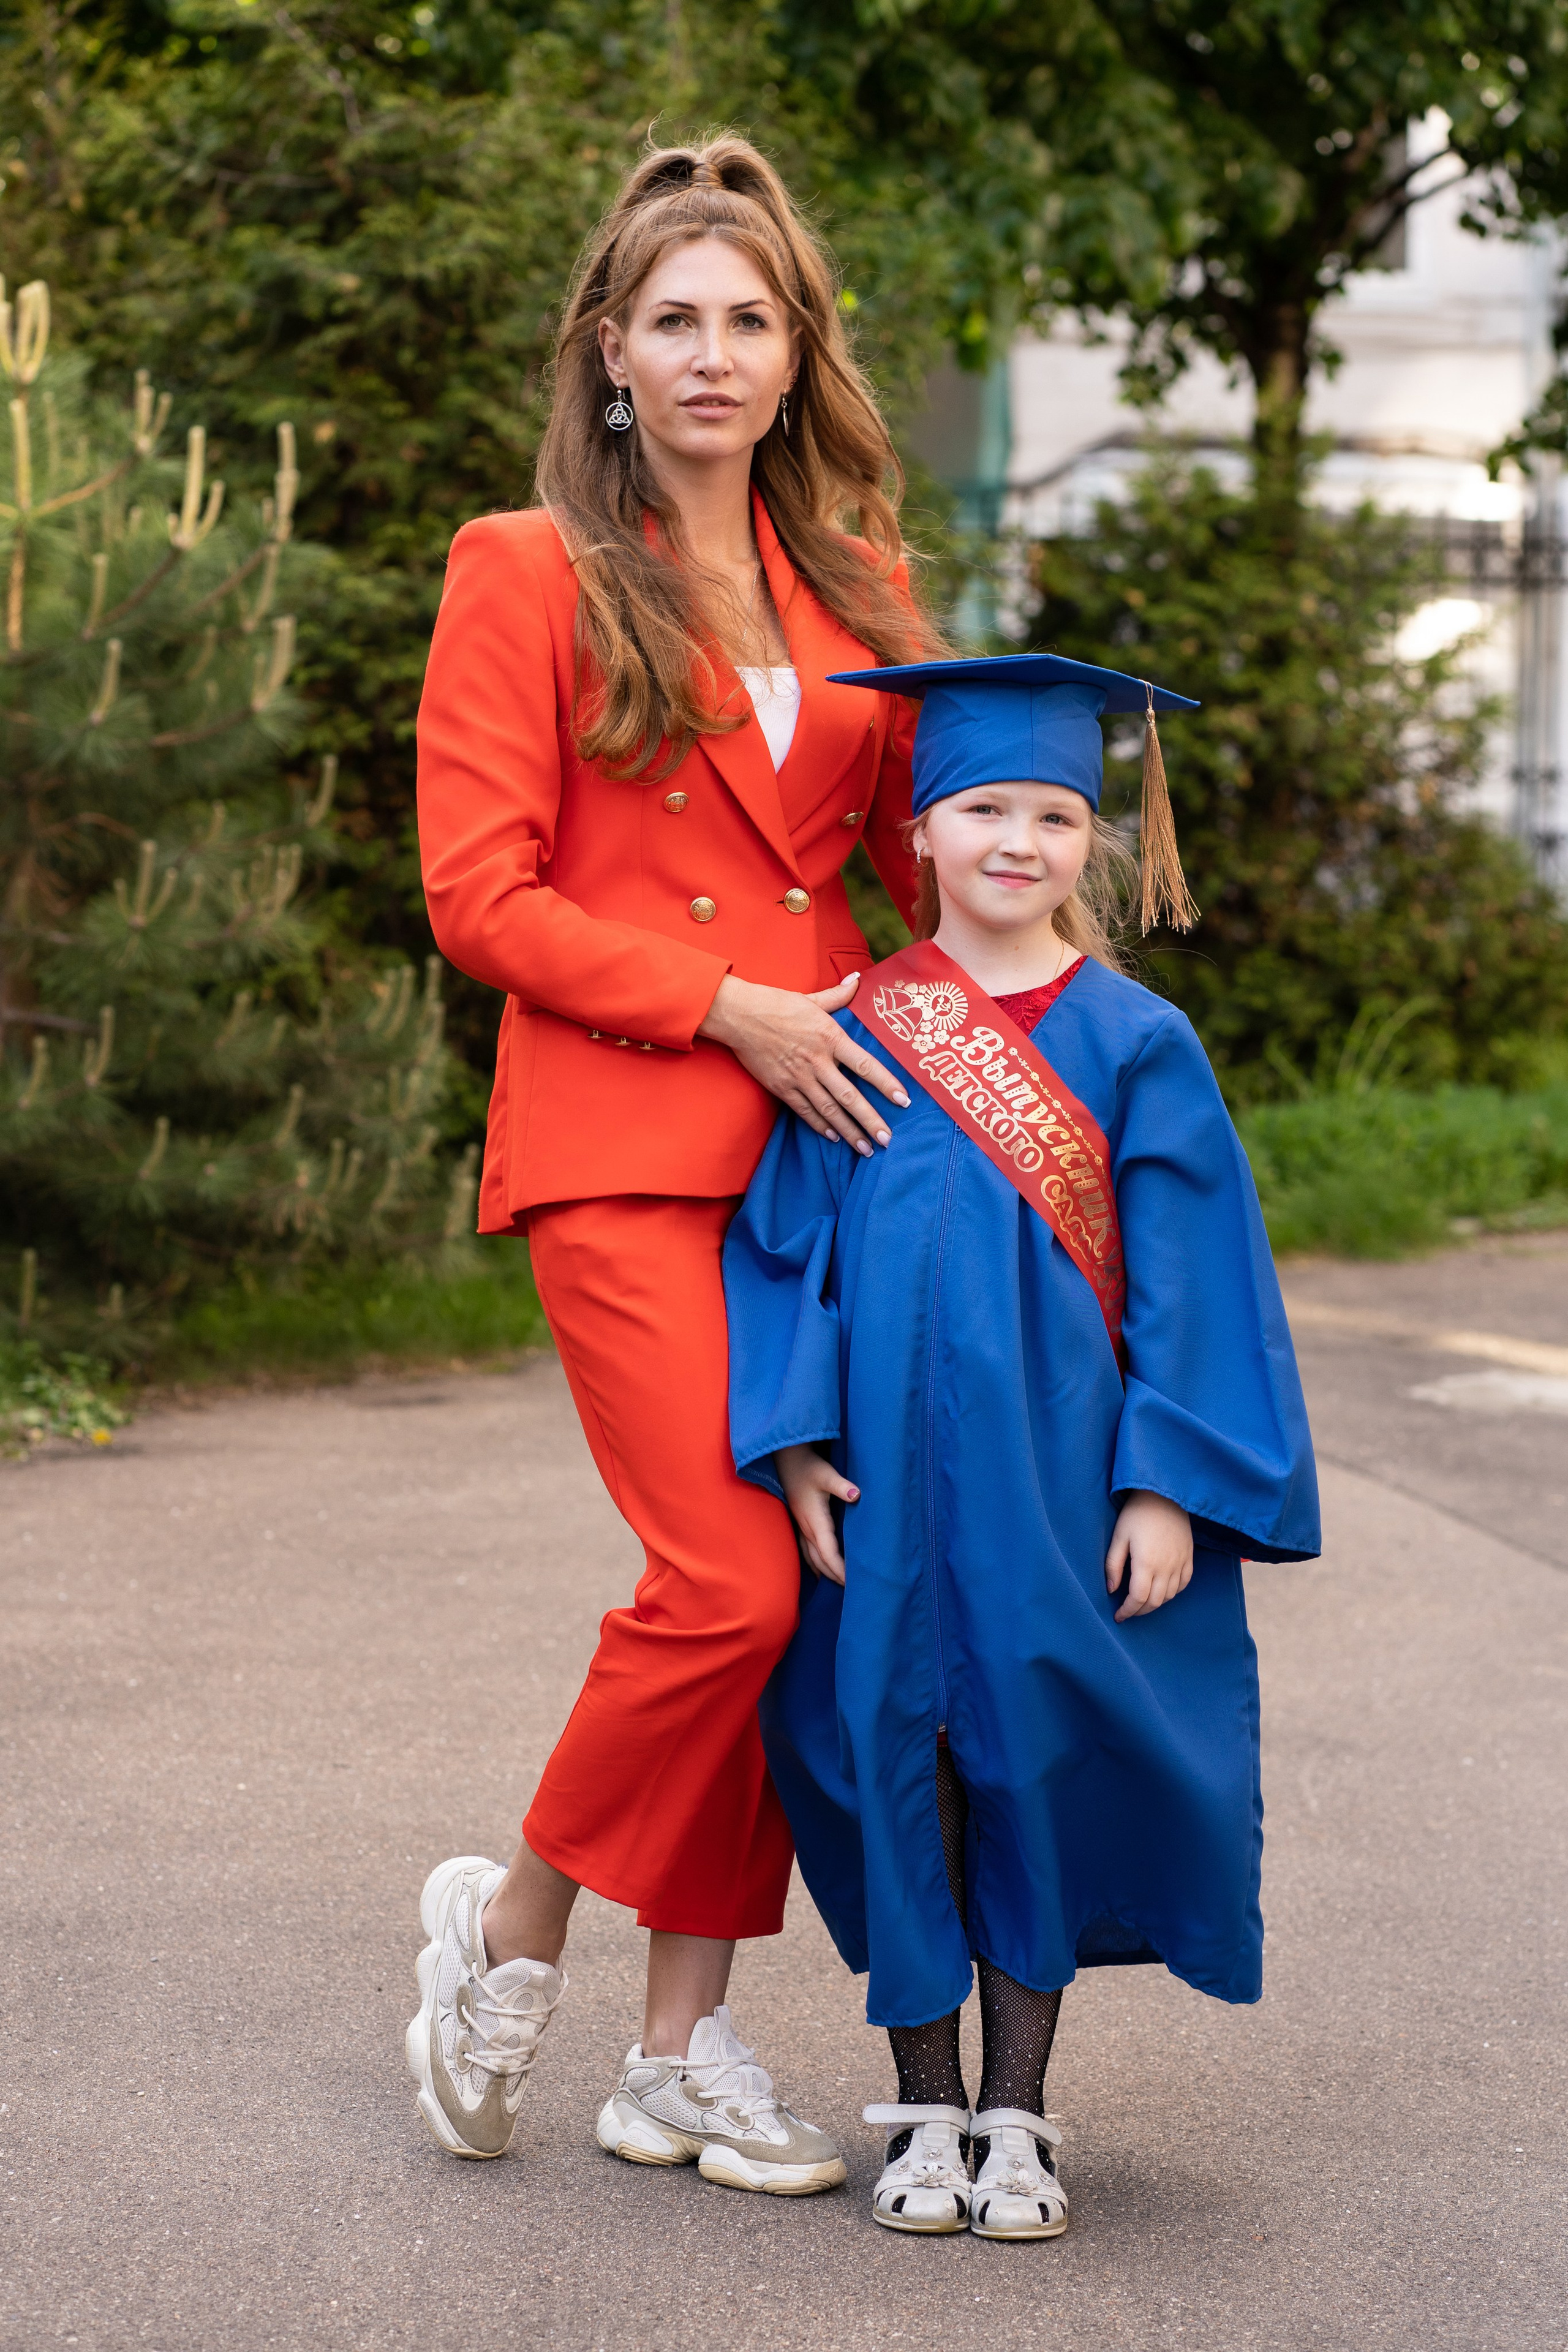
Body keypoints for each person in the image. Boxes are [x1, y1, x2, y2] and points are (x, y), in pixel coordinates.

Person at [407, 133, 946, 2192]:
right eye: (677, 321)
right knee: (718, 1580)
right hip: (637, 1130)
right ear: (611, 354)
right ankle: (510, 1920)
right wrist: (729, 1009)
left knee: (786, 1602)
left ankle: (676, 2048)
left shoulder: (863, 585)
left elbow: (906, 863)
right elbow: (481, 892)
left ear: (799, 352)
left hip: (836, 1159)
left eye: (754, 319)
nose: (716, 355)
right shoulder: (523, 566)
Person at [722, 653, 1321, 2238]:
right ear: (921, 829)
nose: (1019, 840)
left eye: (1056, 814)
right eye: (985, 806)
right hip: (888, 1493)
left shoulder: (1137, 1043)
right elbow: (791, 1246)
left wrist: (1169, 1484)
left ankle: (1018, 2118)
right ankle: (921, 2110)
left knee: (1034, 1773)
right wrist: (789, 1446)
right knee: (897, 1764)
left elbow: (1201, 1289)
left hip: (1059, 1492)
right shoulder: (857, 1026)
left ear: (1091, 842)